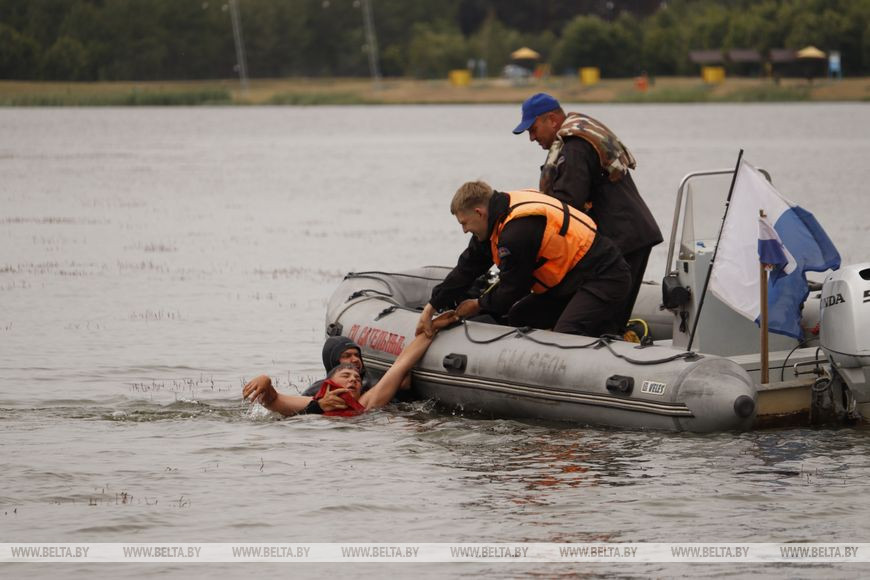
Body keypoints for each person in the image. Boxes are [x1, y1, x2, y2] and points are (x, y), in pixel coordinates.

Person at [512, 93, 663, 329]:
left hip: (624, 240)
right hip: (628, 235)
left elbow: (568, 205)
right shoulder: (576, 139)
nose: (531, 138)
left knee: (608, 318)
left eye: (533, 129)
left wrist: (532, 228)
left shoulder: (575, 148)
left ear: (551, 119)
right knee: (607, 314)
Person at [416, 181, 630, 338]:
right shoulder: (495, 220)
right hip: (569, 279)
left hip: (603, 276)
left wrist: (478, 304)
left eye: (464, 223)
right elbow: (467, 267)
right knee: (520, 315)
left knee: (568, 333)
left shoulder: (516, 232)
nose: (464, 231)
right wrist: (431, 307)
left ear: (479, 212)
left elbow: (514, 288)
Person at [244, 312, 456, 417]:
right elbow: (273, 401)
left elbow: (401, 365)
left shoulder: (368, 402)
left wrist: (431, 329)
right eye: (346, 376)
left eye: (356, 377)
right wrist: (265, 380)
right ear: (328, 383)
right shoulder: (313, 401)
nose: (354, 379)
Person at [301, 336, 371, 397]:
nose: (356, 359)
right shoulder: (314, 393)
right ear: (333, 361)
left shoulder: (368, 385)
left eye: (357, 355)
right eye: (346, 356)